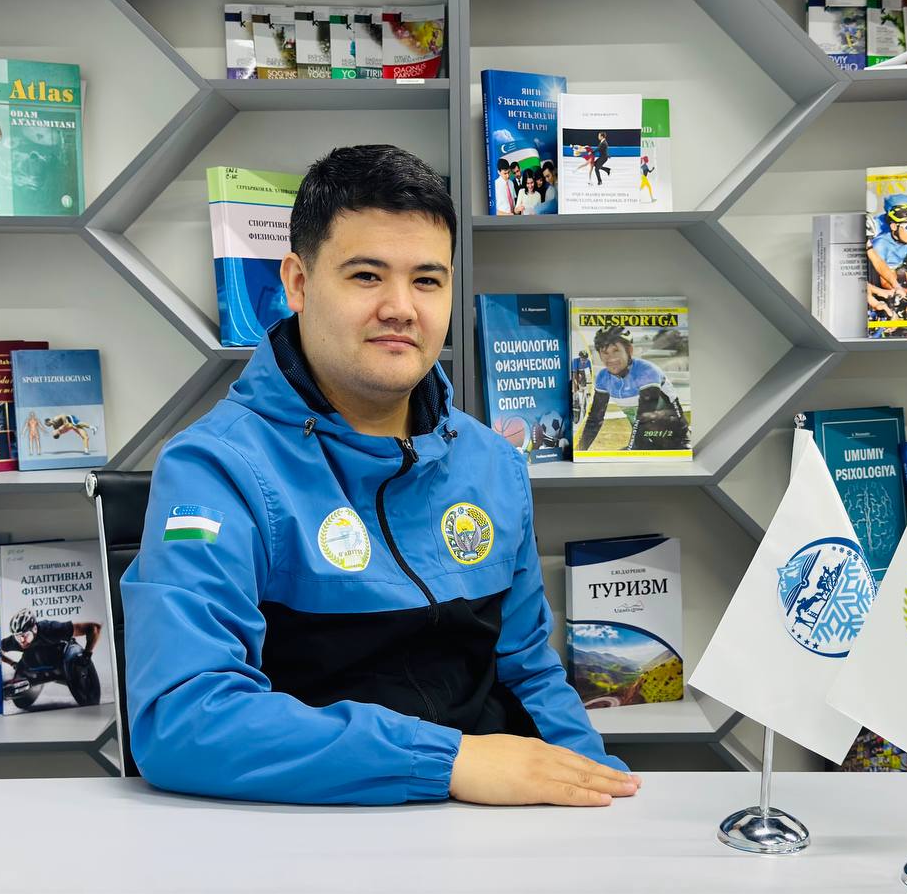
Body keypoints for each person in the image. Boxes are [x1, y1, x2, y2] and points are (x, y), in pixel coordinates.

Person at [122, 144, 638, 807]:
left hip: (486, 834)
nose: (401, 307)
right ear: (298, 283)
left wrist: (599, 793)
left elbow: (531, 675)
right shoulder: (214, 469)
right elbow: (183, 719)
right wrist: (448, 761)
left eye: (427, 280)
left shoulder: (493, 462)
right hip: (305, 833)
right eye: (367, 275)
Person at [578, 326, 689, 452]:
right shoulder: (603, 378)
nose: (611, 358)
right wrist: (579, 451)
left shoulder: (647, 371)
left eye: (616, 351)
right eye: (605, 352)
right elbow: (594, 420)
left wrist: (630, 450)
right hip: (647, 442)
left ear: (629, 350)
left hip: (677, 442)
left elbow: (644, 419)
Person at [1, 607, 102, 704]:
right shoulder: (16, 641)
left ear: (34, 629)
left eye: (25, 635)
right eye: (18, 637)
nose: (22, 640)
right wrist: (12, 663)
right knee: (24, 662)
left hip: (63, 657)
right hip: (41, 665)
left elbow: (94, 628)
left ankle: (77, 670)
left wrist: (87, 655)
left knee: (72, 653)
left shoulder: (51, 629)